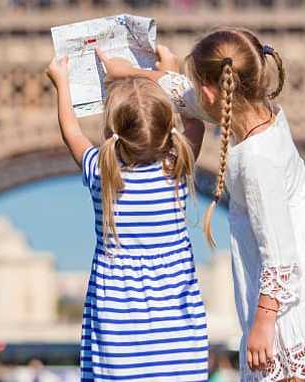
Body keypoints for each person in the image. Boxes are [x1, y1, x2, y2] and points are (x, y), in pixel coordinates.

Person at [99, 28, 305, 381]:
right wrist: (133, 72)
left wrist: (262, 324)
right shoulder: (263, 111)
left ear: (211, 90)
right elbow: (186, 96)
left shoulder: (257, 159)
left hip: (296, 300)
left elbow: (280, 256)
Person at [46, 49, 209, 380]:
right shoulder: (176, 167)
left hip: (119, 336)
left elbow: (71, 130)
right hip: (176, 334)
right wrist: (169, 73)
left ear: (111, 130)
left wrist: (62, 82)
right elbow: (195, 122)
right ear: (167, 132)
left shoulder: (104, 175)